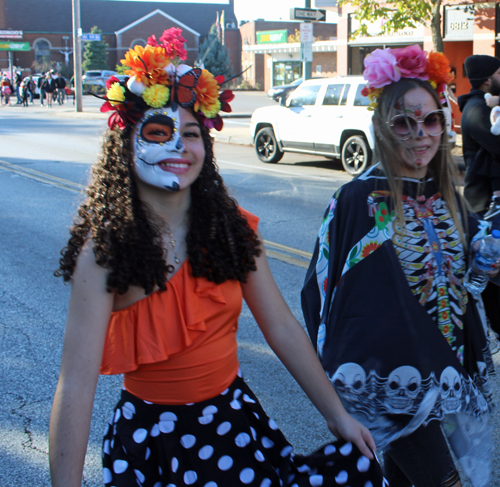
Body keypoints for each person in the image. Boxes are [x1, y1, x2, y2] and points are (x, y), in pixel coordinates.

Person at [49, 29, 385, 487]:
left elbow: (283, 329)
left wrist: (337, 417)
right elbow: (75, 385)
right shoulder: (105, 252)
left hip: (232, 427)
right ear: (127, 144)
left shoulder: (232, 229)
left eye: (191, 133)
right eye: (158, 132)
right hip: (153, 442)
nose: (178, 147)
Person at [302, 45, 500, 487]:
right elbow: (326, 290)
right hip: (389, 381)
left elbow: (470, 283)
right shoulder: (358, 200)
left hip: (446, 375)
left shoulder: (447, 196)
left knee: (404, 480)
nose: (420, 134)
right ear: (382, 128)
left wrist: (489, 261)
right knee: (442, 480)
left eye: (430, 120)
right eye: (403, 122)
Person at [458, 55, 500, 337]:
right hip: (487, 208)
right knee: (491, 277)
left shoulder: (488, 106)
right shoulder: (476, 109)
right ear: (487, 80)